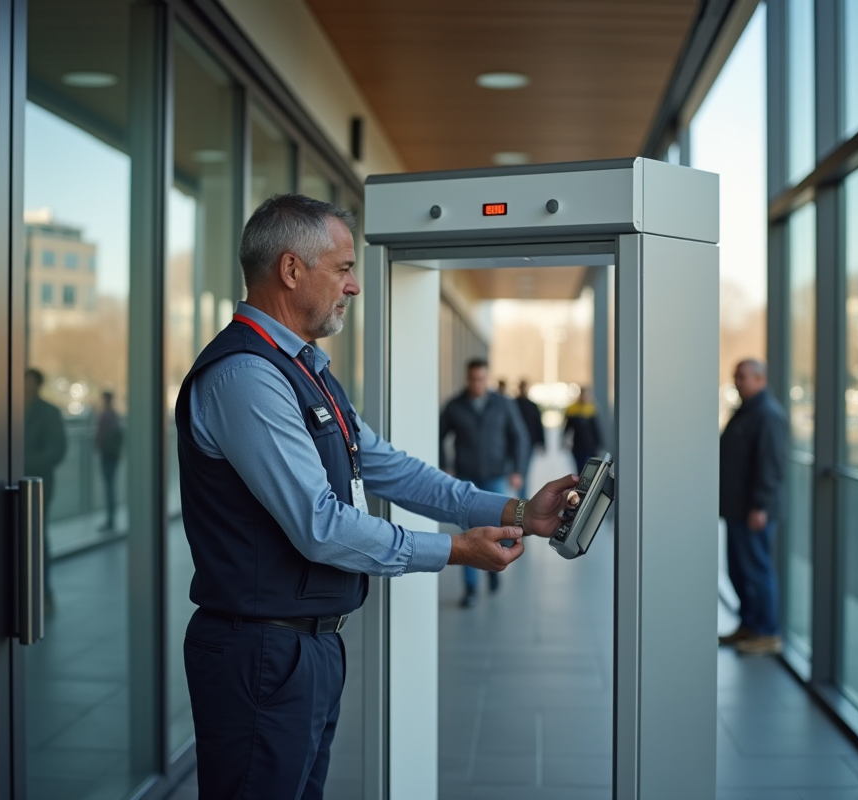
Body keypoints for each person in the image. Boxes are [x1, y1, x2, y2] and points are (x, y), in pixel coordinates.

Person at [175, 193, 577, 800]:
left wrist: (518, 511)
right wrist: (453, 552)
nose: (355, 285)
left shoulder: (306, 370)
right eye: (342, 268)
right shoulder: (246, 376)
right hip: (260, 652)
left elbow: (392, 471)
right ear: (291, 270)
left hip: (304, 648)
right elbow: (321, 525)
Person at [439, 357, 531, 606]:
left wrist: (518, 469)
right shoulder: (454, 406)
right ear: (467, 378)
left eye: (481, 379)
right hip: (467, 477)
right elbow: (438, 434)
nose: (477, 383)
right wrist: (444, 463)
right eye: (472, 379)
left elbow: (519, 437)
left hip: (496, 475)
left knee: (497, 527)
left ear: (486, 379)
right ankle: (470, 587)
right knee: (469, 533)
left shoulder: (502, 404)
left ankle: (493, 568)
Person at [718, 359, 787, 656]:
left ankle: (767, 632)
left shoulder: (767, 415)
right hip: (737, 509)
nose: (737, 382)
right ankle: (749, 624)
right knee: (738, 570)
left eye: (743, 377)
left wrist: (759, 505)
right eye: (736, 377)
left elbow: (770, 466)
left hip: (753, 511)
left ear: (760, 378)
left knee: (757, 571)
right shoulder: (747, 411)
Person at [24, 368, 67, 605]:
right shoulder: (3, 408)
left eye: (28, 382)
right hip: (5, 484)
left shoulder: (48, 412)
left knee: (36, 537)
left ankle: (44, 592)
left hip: (36, 485)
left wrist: (25, 463)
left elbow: (57, 449)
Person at [94, 390, 123, 532]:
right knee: (111, 486)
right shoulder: (115, 414)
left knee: (109, 487)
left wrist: (96, 445)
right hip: (114, 454)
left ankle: (110, 519)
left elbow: (100, 434)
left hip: (107, 454)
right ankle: (111, 518)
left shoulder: (105, 415)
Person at [514, 379, 545, 497]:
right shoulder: (513, 404)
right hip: (514, 444)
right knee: (515, 471)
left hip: (529, 443)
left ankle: (522, 498)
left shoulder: (532, 406)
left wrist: (541, 442)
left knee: (524, 471)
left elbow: (538, 424)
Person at [563, 385, 602, 473]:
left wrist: (599, 445)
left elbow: (596, 430)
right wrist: (565, 442)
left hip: (590, 446)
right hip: (578, 445)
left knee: (590, 469)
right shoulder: (572, 409)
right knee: (580, 469)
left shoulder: (591, 409)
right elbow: (567, 428)